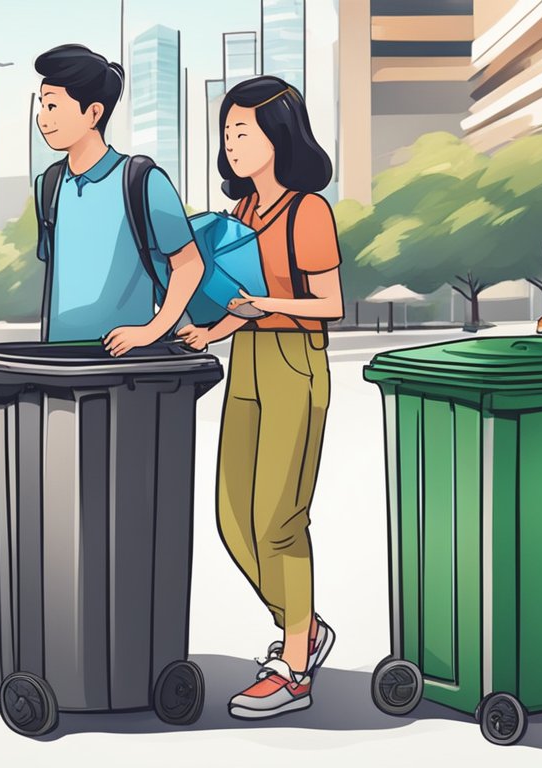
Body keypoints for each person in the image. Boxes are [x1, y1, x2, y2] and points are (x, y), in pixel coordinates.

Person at [178, 76, 344, 720]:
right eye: (227, 132)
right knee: (231, 516)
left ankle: (294, 665)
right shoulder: (241, 215)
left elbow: (329, 305)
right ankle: (303, 624)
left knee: (278, 520)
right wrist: (210, 329)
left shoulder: (309, 211)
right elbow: (235, 301)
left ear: (280, 136)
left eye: (242, 131)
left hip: (296, 365)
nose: (231, 143)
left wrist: (261, 305)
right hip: (247, 362)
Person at [33, 44, 204, 353]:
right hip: (57, 358)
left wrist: (152, 330)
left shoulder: (142, 180)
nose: (43, 119)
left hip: (126, 363)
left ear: (94, 112)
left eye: (53, 106)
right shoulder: (48, 186)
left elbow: (189, 264)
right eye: (42, 105)